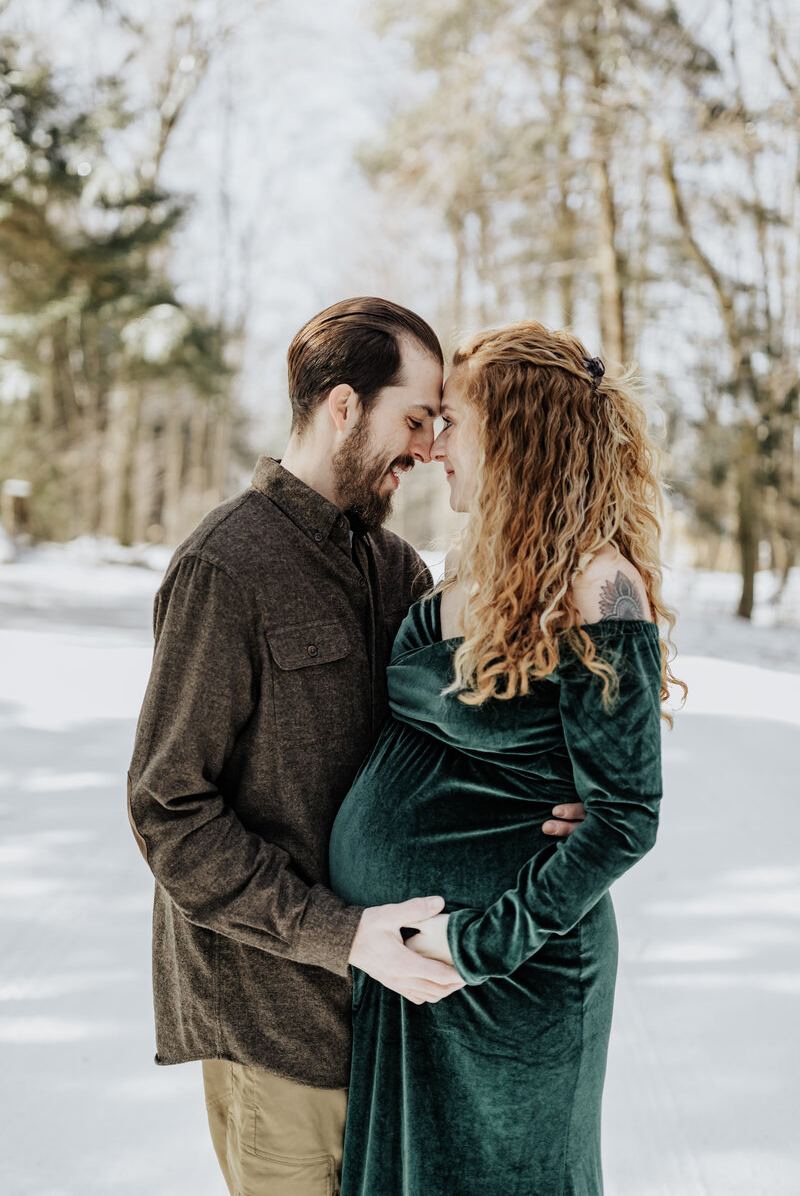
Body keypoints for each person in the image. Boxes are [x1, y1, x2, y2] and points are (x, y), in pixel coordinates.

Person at [127, 298, 584, 1196]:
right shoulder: (226, 568)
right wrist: (341, 935)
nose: (427, 448)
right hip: (279, 1027)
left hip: (397, 1025)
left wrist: (550, 798)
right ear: (344, 407)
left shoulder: (399, 570)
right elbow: (168, 810)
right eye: (415, 418)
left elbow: (455, 740)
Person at [329, 320, 683, 1196]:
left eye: (455, 422)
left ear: (517, 434)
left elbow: (626, 818)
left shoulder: (601, 588)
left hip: (510, 974)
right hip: (409, 967)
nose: (437, 445)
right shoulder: (466, 569)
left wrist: (475, 942)